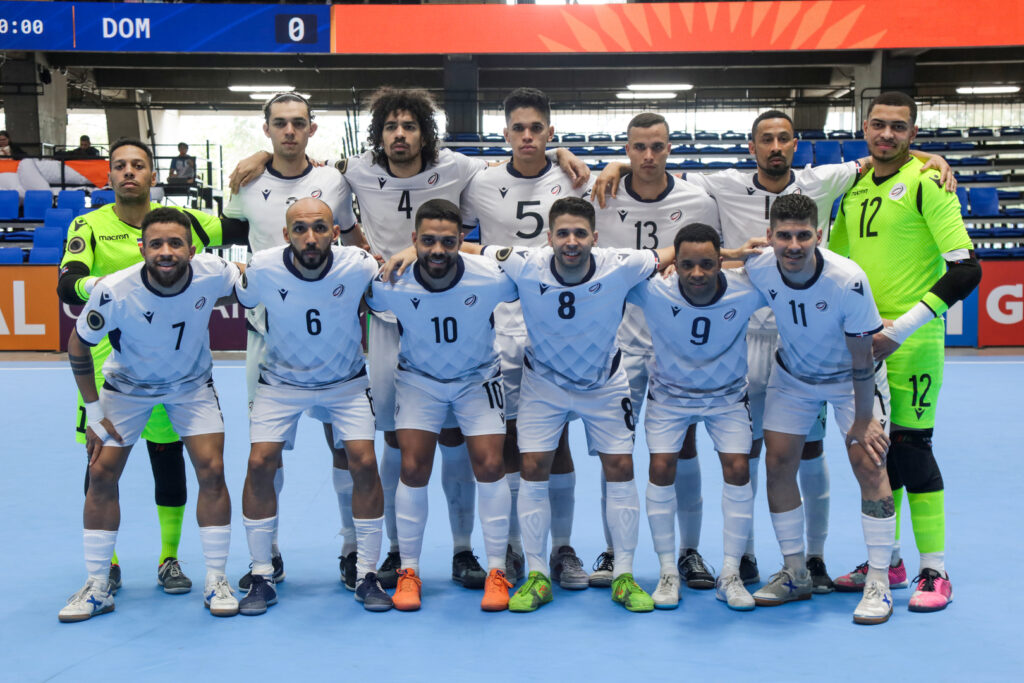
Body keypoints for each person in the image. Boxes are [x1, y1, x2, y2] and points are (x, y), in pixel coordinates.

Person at [231, 86, 588, 590]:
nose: (400, 135)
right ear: (379, 134)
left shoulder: (457, 167)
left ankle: (464, 550)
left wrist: (559, 151)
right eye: (391, 127)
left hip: (450, 309)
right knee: (395, 437)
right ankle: (394, 551)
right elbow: (301, 164)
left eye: (410, 126)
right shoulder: (355, 171)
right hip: (388, 315)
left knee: (458, 436)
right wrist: (261, 155)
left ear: (425, 132)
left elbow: (520, 160)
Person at [594, 109, 954, 593]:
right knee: (747, 452)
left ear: (796, 144)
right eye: (766, 139)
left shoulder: (822, 181)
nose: (776, 146)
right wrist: (617, 165)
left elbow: (883, 154)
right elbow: (655, 169)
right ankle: (742, 557)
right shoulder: (721, 184)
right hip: (739, 334)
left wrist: (928, 157)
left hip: (800, 339)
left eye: (784, 138)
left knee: (809, 450)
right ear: (752, 146)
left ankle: (816, 558)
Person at [57, 138, 247, 596]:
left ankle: (169, 558)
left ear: (152, 175)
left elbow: (244, 227)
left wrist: (262, 163)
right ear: (109, 175)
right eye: (120, 165)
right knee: (100, 465)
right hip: (111, 367)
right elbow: (67, 284)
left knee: (169, 457)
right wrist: (105, 289)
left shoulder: (186, 222)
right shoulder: (90, 224)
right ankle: (107, 568)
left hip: (177, 370)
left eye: (138, 165)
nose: (129, 172)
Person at [829, 91, 981, 613]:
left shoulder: (927, 183)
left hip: (910, 342)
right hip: (863, 342)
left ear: (913, 134)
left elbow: (966, 269)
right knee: (876, 453)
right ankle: (888, 560)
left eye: (898, 127)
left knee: (912, 449)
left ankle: (934, 569)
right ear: (864, 129)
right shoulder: (852, 187)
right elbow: (837, 265)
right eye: (878, 124)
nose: (887, 134)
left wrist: (903, 329)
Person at [224, 92, 370, 593]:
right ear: (266, 129)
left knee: (345, 446)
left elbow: (352, 239)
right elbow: (227, 237)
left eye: (298, 123)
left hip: (330, 334)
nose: (290, 131)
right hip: (269, 334)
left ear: (312, 128)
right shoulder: (246, 181)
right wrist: (260, 160)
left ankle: (352, 549)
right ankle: (269, 554)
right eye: (280, 123)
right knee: (265, 453)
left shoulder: (334, 181)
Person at [459, 87, 589, 588]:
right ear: (506, 133)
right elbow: (452, 233)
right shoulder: (481, 182)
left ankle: (562, 548)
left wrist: (574, 156)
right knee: (511, 435)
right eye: (519, 128)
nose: (528, 136)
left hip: (560, 324)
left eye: (537, 128)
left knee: (558, 438)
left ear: (550, 132)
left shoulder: (575, 177)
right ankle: (514, 547)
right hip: (502, 324)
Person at [745, 194, 896, 626]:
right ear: (770, 236)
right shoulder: (759, 267)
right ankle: (796, 572)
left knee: (869, 464)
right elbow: (720, 264)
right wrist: (733, 252)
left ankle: (879, 581)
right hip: (794, 377)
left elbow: (863, 359)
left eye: (803, 236)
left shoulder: (847, 280)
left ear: (820, 235)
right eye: (784, 236)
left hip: (852, 381)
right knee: (777, 464)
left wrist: (863, 420)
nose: (794, 246)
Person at [234, 198, 388, 615]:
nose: (310, 237)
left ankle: (365, 571)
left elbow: (383, 294)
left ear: (335, 233)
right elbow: (241, 296)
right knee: (259, 463)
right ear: (286, 234)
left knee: (363, 461)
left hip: (345, 383)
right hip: (281, 382)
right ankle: (263, 572)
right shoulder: (263, 267)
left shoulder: (358, 264)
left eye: (320, 228)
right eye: (300, 229)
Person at [366, 199, 518, 612]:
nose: (438, 250)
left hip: (477, 379)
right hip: (419, 380)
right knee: (413, 467)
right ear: (414, 240)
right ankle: (409, 572)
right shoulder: (391, 282)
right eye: (428, 241)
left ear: (462, 240)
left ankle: (497, 570)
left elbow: (531, 271)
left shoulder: (490, 276)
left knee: (490, 464)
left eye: (448, 242)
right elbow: (368, 301)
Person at [590, 111, 720, 594]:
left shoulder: (697, 200)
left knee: (683, 448)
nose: (648, 156)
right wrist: (607, 168)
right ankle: (615, 550)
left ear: (670, 148)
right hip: (618, 344)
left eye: (657, 147)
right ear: (625, 149)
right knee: (615, 454)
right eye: (638, 147)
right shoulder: (601, 195)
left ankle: (689, 551)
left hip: (676, 346)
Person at [627, 223, 766, 610]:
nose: (697, 273)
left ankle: (730, 573)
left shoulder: (746, 289)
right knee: (660, 468)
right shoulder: (654, 289)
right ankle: (668, 572)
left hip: (727, 397)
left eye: (707, 264)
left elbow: (793, 276)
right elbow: (611, 270)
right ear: (675, 263)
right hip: (669, 397)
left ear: (721, 261)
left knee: (739, 468)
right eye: (687, 264)